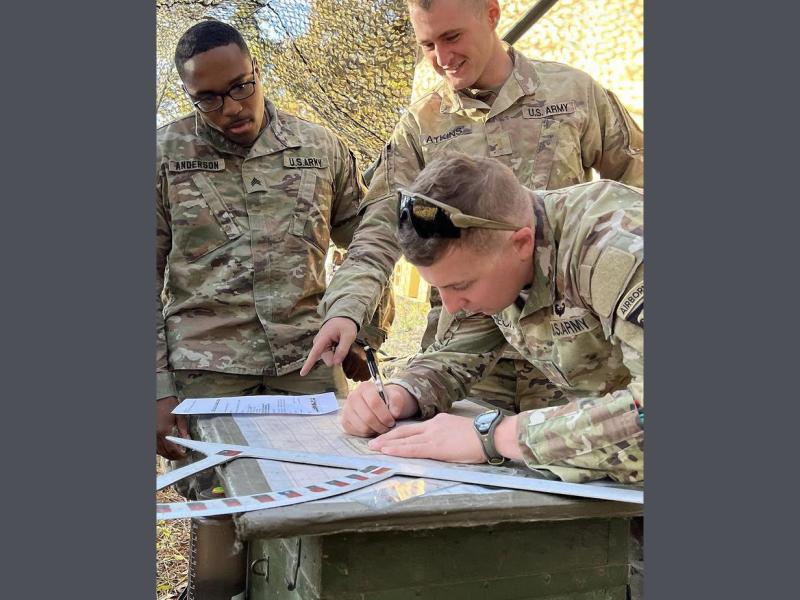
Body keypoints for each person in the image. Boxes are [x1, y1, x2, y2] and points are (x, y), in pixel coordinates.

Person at [301, 0, 643, 413]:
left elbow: (638, 182)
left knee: (579, 454)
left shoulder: (573, 94)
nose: (443, 59)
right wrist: (347, 311)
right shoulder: (421, 124)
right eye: (428, 45)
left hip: (575, 353)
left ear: (492, 15)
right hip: (465, 351)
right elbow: (378, 230)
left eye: (452, 36)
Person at [343, 153, 644, 598]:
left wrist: (496, 437)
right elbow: (461, 350)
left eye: (460, 287)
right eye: (439, 288)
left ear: (522, 243)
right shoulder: (500, 257)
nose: (450, 305)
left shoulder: (616, 250)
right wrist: (402, 392)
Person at [156, 20, 393, 475]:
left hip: (308, 367)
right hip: (208, 376)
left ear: (257, 70)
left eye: (241, 86)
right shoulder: (163, 157)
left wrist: (365, 332)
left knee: (322, 497)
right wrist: (156, 388)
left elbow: (370, 244)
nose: (231, 108)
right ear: (191, 95)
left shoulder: (322, 148)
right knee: (221, 511)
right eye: (208, 98)